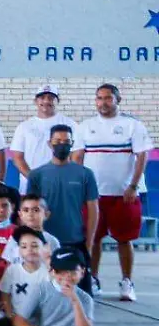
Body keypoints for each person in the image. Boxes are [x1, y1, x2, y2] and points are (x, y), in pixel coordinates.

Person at [74, 83, 153, 302]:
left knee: (124, 239)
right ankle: (93, 279)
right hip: (94, 196)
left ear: (118, 100)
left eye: (108, 98)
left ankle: (127, 282)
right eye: (99, 98)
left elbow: (142, 156)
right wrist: (79, 188)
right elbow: (77, 158)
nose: (103, 102)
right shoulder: (85, 126)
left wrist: (133, 185)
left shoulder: (132, 125)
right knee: (93, 239)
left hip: (124, 195)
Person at [27, 124, 98, 294]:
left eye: (66, 141)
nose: (62, 145)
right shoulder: (37, 175)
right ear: (49, 143)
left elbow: (93, 209)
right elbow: (29, 210)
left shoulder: (85, 174)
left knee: (82, 295)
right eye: (57, 141)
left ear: (72, 143)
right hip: (45, 242)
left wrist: (89, 242)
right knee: (46, 293)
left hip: (75, 240)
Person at [12, 247, 107, 326]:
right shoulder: (40, 289)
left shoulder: (85, 298)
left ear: (82, 272)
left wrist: (75, 300)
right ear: (52, 272)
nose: (67, 276)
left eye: (72, 272)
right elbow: (18, 322)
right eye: (60, 272)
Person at [10, 84, 78, 194]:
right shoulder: (24, 127)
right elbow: (17, 158)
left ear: (57, 101)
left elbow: (76, 155)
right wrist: (34, 179)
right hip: (31, 186)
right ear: (35, 101)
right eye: (42, 97)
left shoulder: (70, 124)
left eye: (51, 98)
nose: (46, 101)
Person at [0, 227, 53, 320]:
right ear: (19, 250)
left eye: (34, 246)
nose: (29, 249)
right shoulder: (12, 270)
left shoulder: (49, 272)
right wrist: (10, 316)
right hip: (16, 319)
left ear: (44, 247)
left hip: (42, 321)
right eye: (24, 246)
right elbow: (5, 295)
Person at [1, 195, 61, 265]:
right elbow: (8, 264)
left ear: (46, 214)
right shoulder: (14, 238)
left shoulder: (52, 241)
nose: (30, 214)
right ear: (20, 215)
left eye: (36, 210)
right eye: (26, 210)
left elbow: (57, 267)